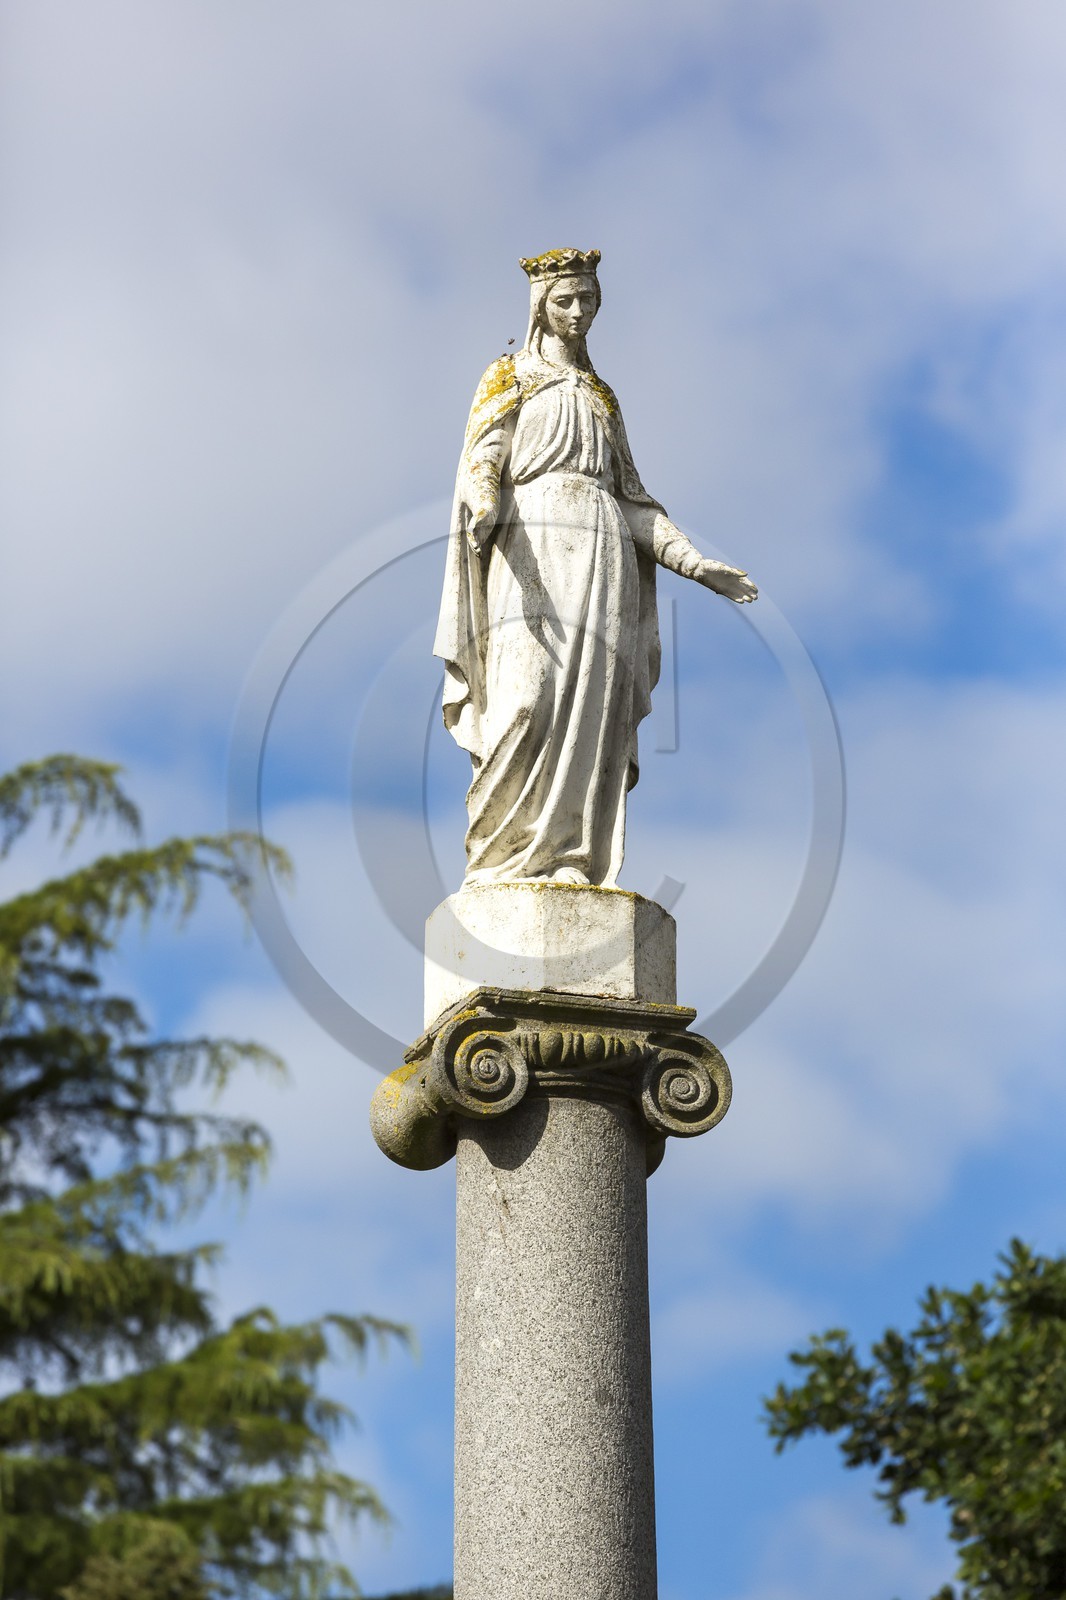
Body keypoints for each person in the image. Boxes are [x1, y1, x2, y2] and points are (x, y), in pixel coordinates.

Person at [434, 247, 757, 888]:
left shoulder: (602, 399)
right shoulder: (510, 376)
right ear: (540, 306)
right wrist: (484, 498)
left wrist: (694, 563)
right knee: (525, 698)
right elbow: (484, 454)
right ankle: (499, 857)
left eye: (589, 301)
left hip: (603, 549)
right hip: (530, 541)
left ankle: (572, 857)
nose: (579, 313)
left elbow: (634, 504)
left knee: (592, 712)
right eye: (566, 301)